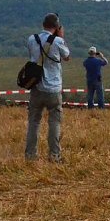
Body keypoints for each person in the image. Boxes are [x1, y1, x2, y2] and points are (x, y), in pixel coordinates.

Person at [25, 13, 71, 162]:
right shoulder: (58, 41)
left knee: (33, 122)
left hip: (36, 86)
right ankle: (54, 155)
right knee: (54, 122)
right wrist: (61, 37)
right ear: (57, 27)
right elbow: (67, 57)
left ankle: (30, 155)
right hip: (53, 88)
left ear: (43, 24)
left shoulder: (32, 39)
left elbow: (33, 57)